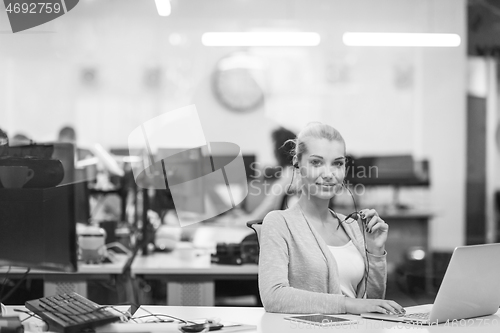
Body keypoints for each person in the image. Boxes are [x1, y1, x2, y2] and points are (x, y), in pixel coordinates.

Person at [258, 122, 405, 315]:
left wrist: (375, 253)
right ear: (298, 165)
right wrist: (348, 304)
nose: (329, 174)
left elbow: (372, 304)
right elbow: (274, 297)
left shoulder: (352, 226)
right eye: (316, 162)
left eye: (337, 163)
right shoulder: (279, 223)